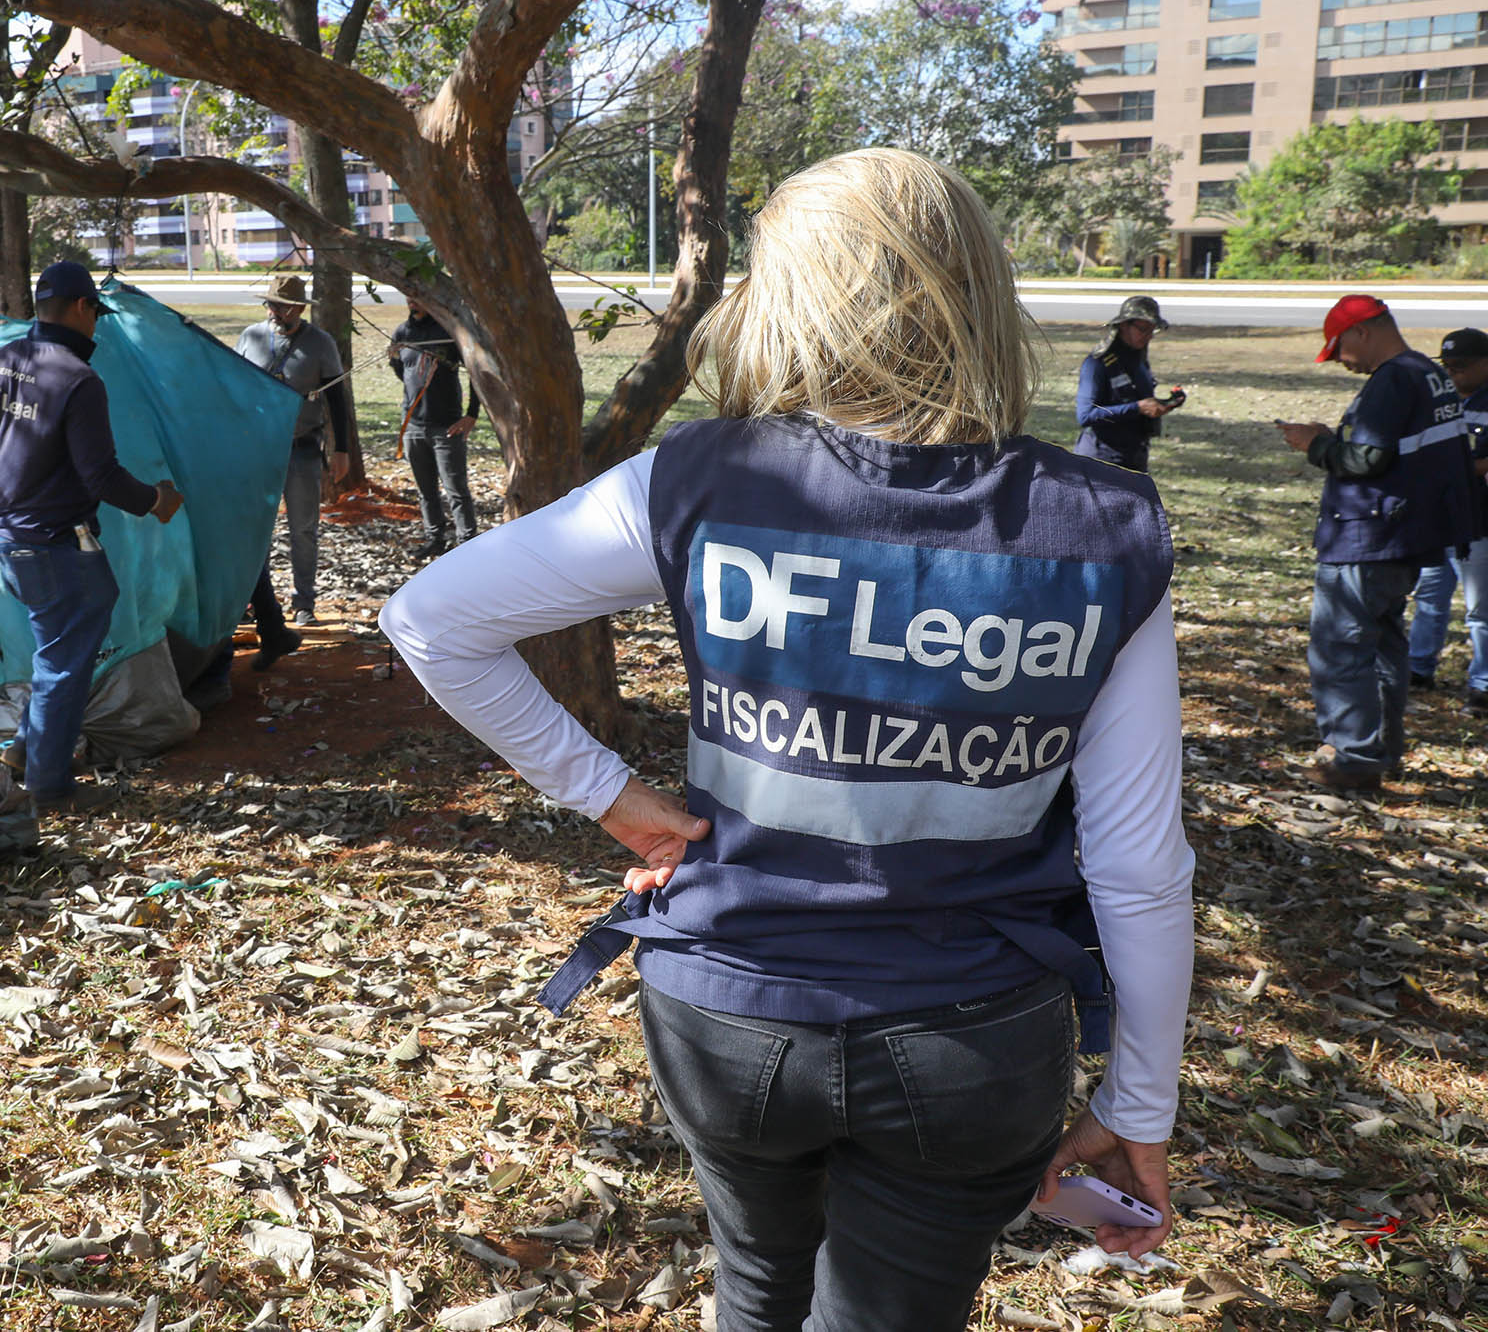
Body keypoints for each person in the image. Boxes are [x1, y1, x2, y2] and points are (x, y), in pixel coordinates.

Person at [381, 149, 1192, 1332]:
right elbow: (1137, 864)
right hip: (972, 1037)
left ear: (786, 296)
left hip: (727, 1011)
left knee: (753, 1287)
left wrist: (612, 797)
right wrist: (1141, 1102)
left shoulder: (703, 482)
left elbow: (432, 619)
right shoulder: (1102, 525)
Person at [0, 261, 183, 813]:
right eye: (96, 312)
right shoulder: (77, 378)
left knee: (64, 643)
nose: (96, 324)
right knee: (65, 657)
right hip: (53, 542)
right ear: (81, 308)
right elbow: (100, 475)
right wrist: (155, 501)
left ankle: (28, 750)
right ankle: (47, 785)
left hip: (9, 539)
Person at [1277, 294, 1476, 792]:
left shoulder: (1392, 378)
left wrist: (1315, 445)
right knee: (1384, 646)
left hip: (1368, 534)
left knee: (1340, 648)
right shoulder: (1428, 374)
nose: (1342, 361)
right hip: (1407, 536)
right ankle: (1381, 749)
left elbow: (1367, 460)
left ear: (1362, 331)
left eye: (1339, 348)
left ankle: (1351, 759)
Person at [236, 273, 358, 631]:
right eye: (271, 304)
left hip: (302, 447)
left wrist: (342, 450)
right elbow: (235, 389)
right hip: (257, 450)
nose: (275, 311)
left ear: (300, 308)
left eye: (282, 305)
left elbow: (336, 396)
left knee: (303, 530)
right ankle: (251, 600)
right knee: (253, 528)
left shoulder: (320, 343)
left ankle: (304, 602)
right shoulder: (251, 337)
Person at [1403, 326, 1488, 714]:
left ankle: (1482, 683)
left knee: (1479, 608)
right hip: (1441, 519)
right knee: (1429, 598)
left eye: (1463, 366)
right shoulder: (1443, 399)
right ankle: (1418, 667)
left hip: (1480, 521)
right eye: (1448, 366)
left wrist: (1458, 469)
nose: (1454, 373)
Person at [388, 297, 482, 557]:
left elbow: (476, 371)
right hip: (413, 425)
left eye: (418, 298)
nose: (412, 303)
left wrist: (471, 414)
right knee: (425, 490)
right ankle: (435, 539)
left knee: (456, 489)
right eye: (408, 298)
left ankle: (468, 545)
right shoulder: (403, 333)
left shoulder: (447, 331)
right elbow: (402, 371)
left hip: (447, 426)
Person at [1074, 295, 1182, 472]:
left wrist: (1167, 403)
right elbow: (1085, 415)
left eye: (1152, 331)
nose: (1148, 336)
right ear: (1124, 325)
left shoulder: (1139, 360)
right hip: (1101, 460)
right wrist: (1138, 407)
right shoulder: (1097, 363)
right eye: (1143, 329)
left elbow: (1139, 401)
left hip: (1134, 457)